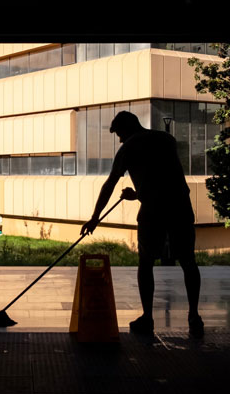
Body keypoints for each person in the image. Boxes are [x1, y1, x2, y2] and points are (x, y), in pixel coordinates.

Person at [81, 111, 204, 337]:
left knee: (146, 262)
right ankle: (194, 316)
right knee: (188, 261)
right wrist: (137, 194)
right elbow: (164, 180)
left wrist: (95, 217)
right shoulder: (167, 140)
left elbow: (110, 184)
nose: (119, 139)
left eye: (119, 134)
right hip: (180, 206)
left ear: (126, 128)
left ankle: (147, 318)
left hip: (153, 212)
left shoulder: (128, 148)